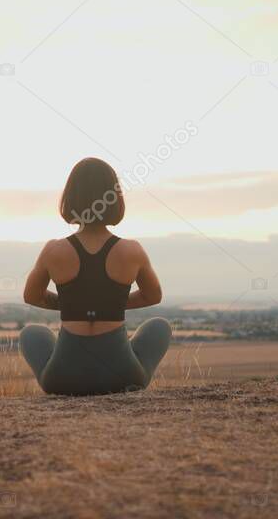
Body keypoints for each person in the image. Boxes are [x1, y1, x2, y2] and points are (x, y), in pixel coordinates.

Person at [20, 157, 172, 396]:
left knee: (32, 332)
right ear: (115, 199)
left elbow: (31, 296)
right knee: (159, 327)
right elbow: (153, 296)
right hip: (123, 378)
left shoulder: (54, 250)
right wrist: (109, 304)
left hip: (63, 381)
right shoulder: (132, 250)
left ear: (69, 199)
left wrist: (75, 304)